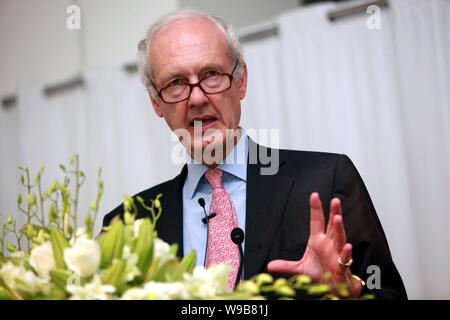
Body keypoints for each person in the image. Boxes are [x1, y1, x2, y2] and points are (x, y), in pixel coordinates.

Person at [103, 9, 407, 299]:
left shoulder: (325, 179)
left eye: (211, 74)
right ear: (156, 102)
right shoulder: (126, 224)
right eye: (175, 83)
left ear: (241, 80)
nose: (196, 98)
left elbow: (388, 294)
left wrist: (349, 293)